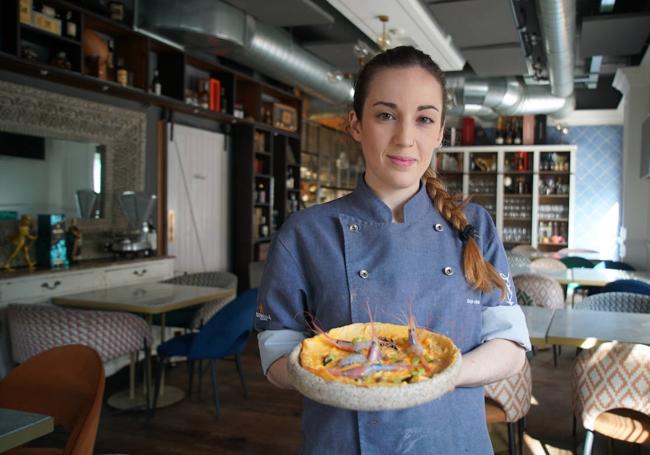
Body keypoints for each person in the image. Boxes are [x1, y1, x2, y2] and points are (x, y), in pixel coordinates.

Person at [256, 45, 530, 454]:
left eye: (424, 119)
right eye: (386, 115)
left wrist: (438, 375)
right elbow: (276, 352)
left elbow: (509, 348)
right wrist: (342, 380)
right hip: (344, 442)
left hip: (454, 439)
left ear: (440, 133)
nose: (405, 137)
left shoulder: (474, 225)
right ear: (355, 124)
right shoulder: (305, 233)